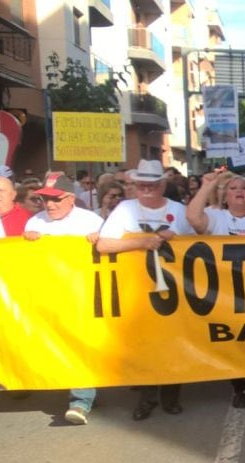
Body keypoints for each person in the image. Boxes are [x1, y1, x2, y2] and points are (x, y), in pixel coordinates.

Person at [95, 160, 193, 420]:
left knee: (172, 343)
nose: (146, 188)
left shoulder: (179, 211)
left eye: (151, 184)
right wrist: (142, 242)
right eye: (141, 184)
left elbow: (199, 244)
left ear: (162, 185)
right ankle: (147, 398)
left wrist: (177, 238)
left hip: (174, 289)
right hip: (136, 289)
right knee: (145, 345)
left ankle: (171, 396)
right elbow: (104, 245)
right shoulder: (125, 209)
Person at [188, 171, 245, 407]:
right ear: (226, 195)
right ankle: (239, 387)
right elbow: (193, 218)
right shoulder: (217, 218)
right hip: (224, 293)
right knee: (229, 342)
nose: (239, 191)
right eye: (233, 188)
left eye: (244, 188)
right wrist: (206, 186)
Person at [23, 172, 104, 424]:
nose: (50, 205)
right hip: (48, 295)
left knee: (79, 344)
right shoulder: (35, 222)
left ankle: (81, 401)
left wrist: (99, 241)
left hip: (82, 294)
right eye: (45, 199)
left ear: (71, 198)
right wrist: (27, 243)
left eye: (56, 199)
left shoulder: (91, 220)